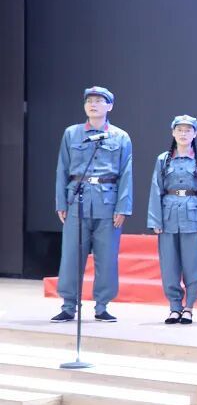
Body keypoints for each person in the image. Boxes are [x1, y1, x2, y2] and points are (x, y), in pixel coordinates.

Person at [52, 86, 133, 324]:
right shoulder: (72, 133)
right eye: (89, 101)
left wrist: (123, 207)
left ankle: (102, 306)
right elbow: (62, 168)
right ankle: (68, 306)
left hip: (107, 202)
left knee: (106, 258)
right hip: (77, 200)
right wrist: (61, 202)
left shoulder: (120, 136)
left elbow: (127, 173)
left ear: (110, 106)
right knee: (71, 256)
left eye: (99, 101)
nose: (93, 105)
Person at [147, 115, 197, 325]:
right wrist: (155, 220)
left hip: (192, 216)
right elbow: (156, 189)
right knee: (169, 265)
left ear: (195, 133)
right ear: (173, 132)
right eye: (180, 130)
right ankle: (174, 307)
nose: (183, 134)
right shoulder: (163, 159)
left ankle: (189, 307)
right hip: (168, 216)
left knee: (193, 264)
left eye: (188, 130)